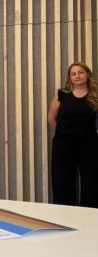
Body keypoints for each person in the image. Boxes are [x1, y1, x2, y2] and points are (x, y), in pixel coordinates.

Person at [48, 62, 98, 207]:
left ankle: (90, 216)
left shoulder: (95, 97)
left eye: (80, 72)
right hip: (63, 145)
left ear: (87, 75)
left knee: (91, 182)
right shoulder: (61, 96)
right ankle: (64, 216)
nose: (77, 76)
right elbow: (51, 118)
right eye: (73, 74)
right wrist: (65, 133)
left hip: (90, 144)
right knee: (62, 181)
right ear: (69, 77)